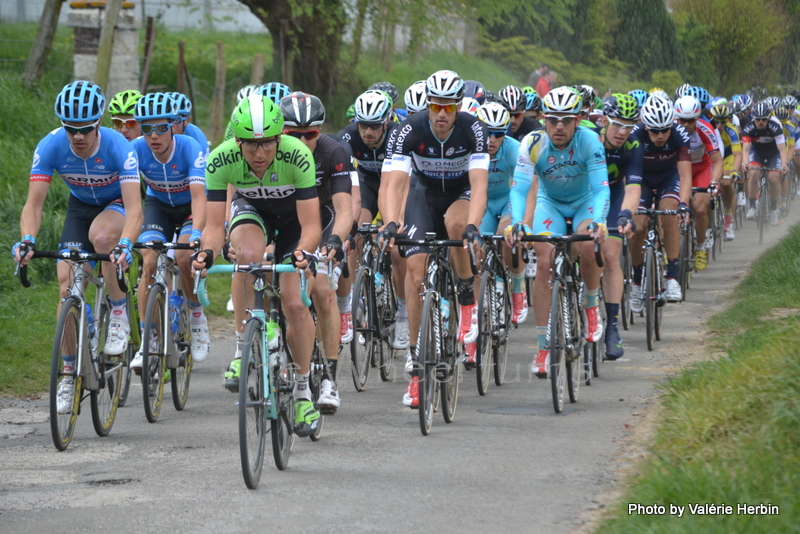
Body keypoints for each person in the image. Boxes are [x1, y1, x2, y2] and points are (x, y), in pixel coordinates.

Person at [192, 94, 323, 437]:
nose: (260, 153)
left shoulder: (297, 154)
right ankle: (242, 348)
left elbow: (311, 226)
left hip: (293, 220)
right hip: (252, 210)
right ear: (237, 142)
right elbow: (213, 226)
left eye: (267, 143)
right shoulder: (221, 160)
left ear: (279, 138)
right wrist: (207, 253)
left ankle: (302, 390)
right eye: (250, 145)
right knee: (248, 259)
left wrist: (304, 252)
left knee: (295, 304)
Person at [14, 81, 142, 413]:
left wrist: (126, 244)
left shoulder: (119, 148)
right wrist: (28, 239)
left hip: (115, 205)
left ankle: (117, 310)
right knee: (66, 285)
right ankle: (69, 373)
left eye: (86, 129)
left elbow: (136, 208)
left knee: (103, 237)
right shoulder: (51, 146)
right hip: (80, 207)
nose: (79, 137)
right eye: (71, 130)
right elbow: (34, 205)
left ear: (98, 124)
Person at [380, 70, 490, 407]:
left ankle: (467, 298)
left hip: (460, 194)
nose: (441, 114)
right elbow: (394, 185)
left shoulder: (473, 129)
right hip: (423, 197)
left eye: (449, 107)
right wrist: (391, 223)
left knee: (457, 224)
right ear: (427, 104)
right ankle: (417, 367)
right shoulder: (408, 130)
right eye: (435, 106)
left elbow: (480, 183)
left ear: (459, 105)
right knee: (415, 276)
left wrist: (474, 224)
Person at [512, 86, 608, 377]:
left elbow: (601, 189)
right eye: (553, 119)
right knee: (543, 264)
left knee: (589, 245)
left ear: (578, 120)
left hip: (584, 203)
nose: (559, 126)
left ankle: (590, 304)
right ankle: (543, 347)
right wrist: (518, 222)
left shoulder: (590, 141)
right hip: (550, 204)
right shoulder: (532, 142)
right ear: (543, 118)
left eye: (567, 120)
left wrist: (599, 221)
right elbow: (519, 190)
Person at [280, 91, 353, 414]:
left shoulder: (334, 152)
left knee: (322, 291)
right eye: (294, 135)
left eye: (309, 134)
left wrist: (336, 240)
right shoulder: (271, 151)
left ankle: (329, 379)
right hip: (287, 221)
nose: (302, 140)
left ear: (319, 132)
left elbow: (344, 208)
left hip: (323, 222)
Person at [129, 92, 209, 372]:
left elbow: (200, 197)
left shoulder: (189, 147)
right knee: (149, 261)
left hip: (188, 206)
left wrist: (197, 232)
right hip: (158, 206)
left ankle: (197, 315)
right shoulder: (136, 149)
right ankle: (147, 341)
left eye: (161, 127)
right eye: (147, 128)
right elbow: (128, 194)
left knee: (185, 258)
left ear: (174, 125)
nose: (154, 135)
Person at [338, 90, 407, 350]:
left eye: (374, 125)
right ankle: (356, 294)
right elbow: (349, 186)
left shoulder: (397, 136)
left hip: (396, 182)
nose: (367, 131)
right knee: (354, 231)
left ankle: (403, 312)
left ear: (387, 121)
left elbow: (394, 186)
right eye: (363, 124)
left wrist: (393, 221)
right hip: (365, 182)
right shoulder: (348, 136)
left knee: (398, 249)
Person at [627, 96, 692, 309]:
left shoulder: (679, 134)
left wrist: (684, 204)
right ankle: (637, 282)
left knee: (669, 212)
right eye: (655, 131)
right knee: (638, 225)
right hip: (642, 179)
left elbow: (684, 176)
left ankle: (672, 278)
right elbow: (631, 175)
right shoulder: (634, 135)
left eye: (665, 130)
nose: (661, 136)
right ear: (645, 126)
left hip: (669, 177)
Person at [598, 94, 644, 360]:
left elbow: (634, 187)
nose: (622, 132)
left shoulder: (634, 145)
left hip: (614, 197)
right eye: (617, 124)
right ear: (604, 121)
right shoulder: (589, 137)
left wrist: (627, 213)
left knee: (612, 256)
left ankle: (612, 328)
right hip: (583, 197)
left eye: (628, 125)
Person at [475, 102, 526, 332]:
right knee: (476, 247)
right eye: (487, 133)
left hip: (507, 200)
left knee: (505, 237)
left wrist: (516, 221)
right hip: (483, 202)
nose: (491, 139)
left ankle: (517, 287)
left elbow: (520, 188)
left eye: (498, 134)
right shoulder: (470, 148)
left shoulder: (514, 149)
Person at [674, 95, 723, 271]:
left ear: (697, 118)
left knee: (701, 208)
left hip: (701, 168)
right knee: (670, 207)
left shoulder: (705, 129)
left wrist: (714, 182)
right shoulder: (669, 128)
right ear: (676, 117)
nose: (686, 125)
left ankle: (700, 247)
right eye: (682, 120)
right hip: (678, 169)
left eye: (690, 120)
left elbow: (717, 161)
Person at [741, 100, 786, 226]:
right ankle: (752, 206)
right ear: (753, 118)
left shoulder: (775, 127)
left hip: (774, 153)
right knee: (753, 173)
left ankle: (773, 209)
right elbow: (745, 149)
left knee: (773, 178)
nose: (760, 122)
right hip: (757, 153)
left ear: (769, 118)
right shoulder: (748, 128)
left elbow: (782, 149)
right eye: (758, 119)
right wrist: (745, 162)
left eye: (764, 119)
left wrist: (784, 164)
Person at [167, 92, 208, 157]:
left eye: (177, 120)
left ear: (186, 120)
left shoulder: (196, 138)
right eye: (167, 120)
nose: (171, 126)